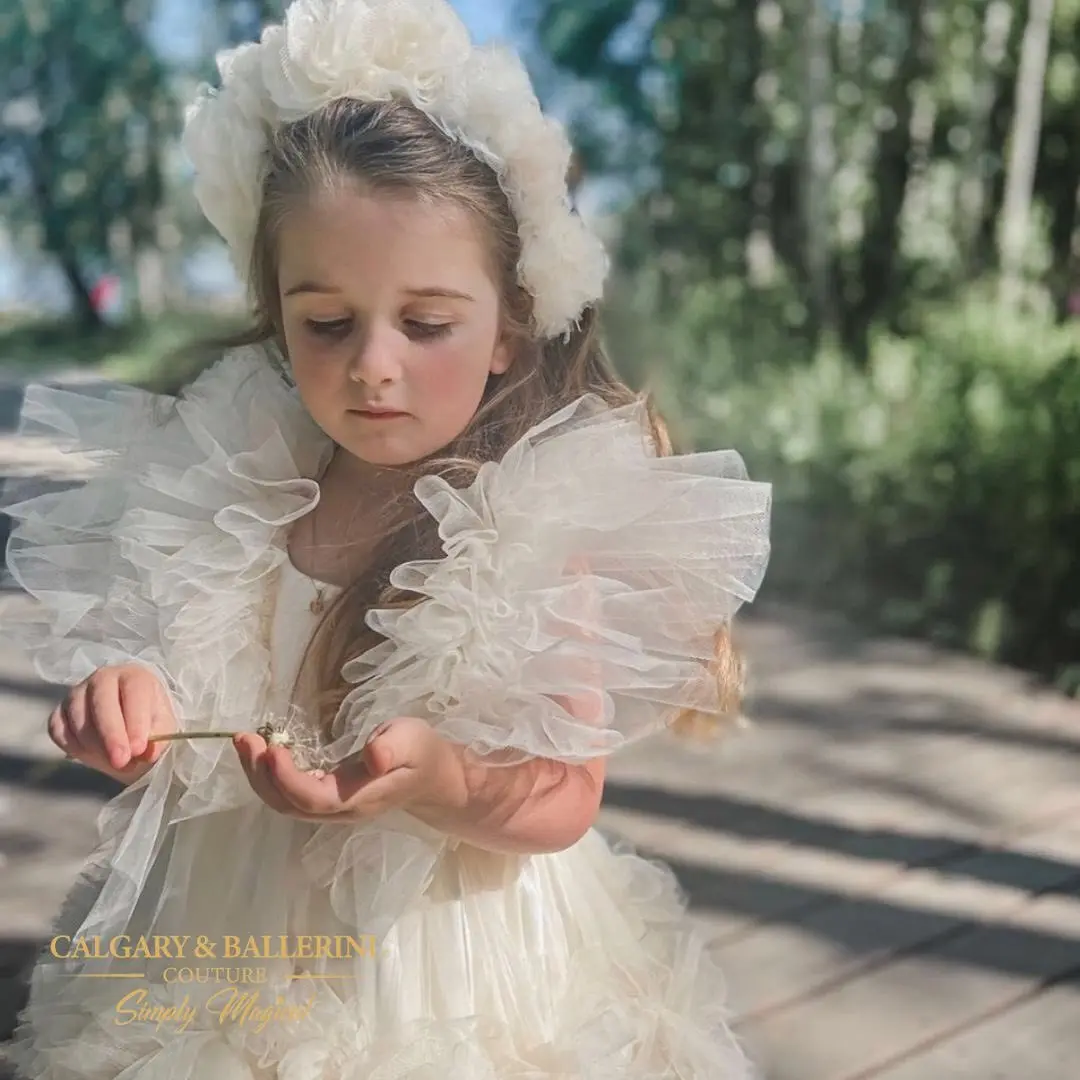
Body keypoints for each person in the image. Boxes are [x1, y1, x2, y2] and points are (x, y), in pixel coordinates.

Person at [1, 1, 772, 1076]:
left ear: (508, 326)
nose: (372, 364)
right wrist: (125, 705)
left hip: (444, 963)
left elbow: (563, 797)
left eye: (425, 323)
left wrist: (432, 781)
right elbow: (174, 694)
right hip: (232, 933)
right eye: (328, 322)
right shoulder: (230, 488)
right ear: (277, 313)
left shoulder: (533, 523)